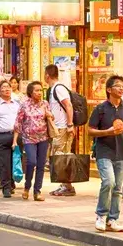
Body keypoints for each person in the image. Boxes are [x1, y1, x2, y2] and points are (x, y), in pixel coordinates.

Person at [89, 75, 123, 233]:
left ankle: (113, 219)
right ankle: (101, 215)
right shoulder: (100, 109)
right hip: (104, 151)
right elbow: (90, 131)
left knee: (118, 188)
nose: (121, 88)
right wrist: (107, 132)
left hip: (122, 153)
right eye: (117, 86)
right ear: (109, 89)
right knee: (108, 182)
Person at [14, 81, 52, 201]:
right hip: (28, 138)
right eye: (37, 90)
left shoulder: (45, 104)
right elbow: (18, 122)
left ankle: (37, 191)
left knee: (41, 165)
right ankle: (27, 187)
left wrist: (49, 115)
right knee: (31, 162)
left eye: (41, 90)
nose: (39, 93)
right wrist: (15, 140)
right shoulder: (24, 105)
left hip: (43, 138)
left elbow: (51, 118)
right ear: (30, 92)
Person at [45, 65, 78, 198]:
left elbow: (68, 105)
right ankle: (65, 184)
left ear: (47, 75)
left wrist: (70, 124)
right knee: (59, 156)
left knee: (61, 157)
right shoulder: (54, 88)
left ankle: (68, 186)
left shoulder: (58, 88)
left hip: (63, 127)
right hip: (58, 128)